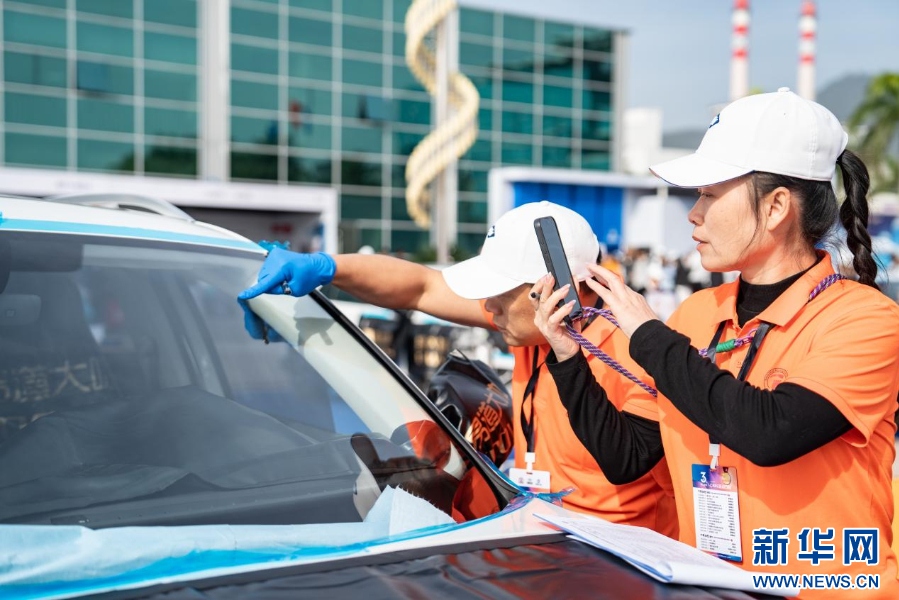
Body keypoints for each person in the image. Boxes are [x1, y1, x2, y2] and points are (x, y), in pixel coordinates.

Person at [533, 89, 899, 596]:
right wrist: (568, 356)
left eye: (709, 194)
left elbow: (769, 432)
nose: (693, 214)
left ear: (775, 208)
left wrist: (649, 336)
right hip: (709, 586)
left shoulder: (866, 320)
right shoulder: (696, 315)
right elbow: (626, 458)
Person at [240, 201, 677, 536]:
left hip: (626, 567)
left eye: (498, 293)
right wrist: (329, 267)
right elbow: (421, 287)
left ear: (556, 291)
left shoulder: (639, 350)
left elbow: (627, 461)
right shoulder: (529, 326)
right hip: (541, 545)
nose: (487, 308)